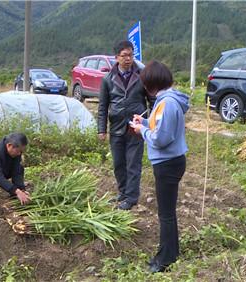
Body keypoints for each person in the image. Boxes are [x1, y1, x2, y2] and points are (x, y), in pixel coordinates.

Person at [130, 61, 189, 273]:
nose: (145, 88)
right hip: (171, 161)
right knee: (167, 211)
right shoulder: (167, 101)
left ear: (152, 83)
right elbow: (161, 127)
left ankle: (165, 260)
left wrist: (141, 131)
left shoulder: (167, 103)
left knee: (165, 213)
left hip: (167, 163)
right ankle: (171, 252)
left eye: (145, 83)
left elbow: (161, 139)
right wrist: (145, 123)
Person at [98, 40, 156, 210]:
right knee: (118, 163)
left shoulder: (142, 76)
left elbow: (152, 100)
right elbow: (102, 106)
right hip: (116, 127)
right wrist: (102, 129)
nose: (128, 59)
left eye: (131, 55)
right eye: (124, 56)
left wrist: (151, 123)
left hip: (135, 126)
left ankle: (131, 198)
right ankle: (123, 192)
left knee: (133, 163)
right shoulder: (108, 79)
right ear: (116, 57)